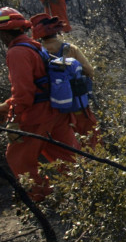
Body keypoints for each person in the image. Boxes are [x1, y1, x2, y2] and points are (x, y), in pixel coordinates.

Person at [0, 7, 79, 201]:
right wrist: (6, 104)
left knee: (18, 158)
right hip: (57, 111)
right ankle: (91, 193)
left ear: (4, 32)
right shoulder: (35, 46)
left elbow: (24, 94)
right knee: (69, 158)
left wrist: (15, 120)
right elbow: (40, 84)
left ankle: (41, 198)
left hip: (37, 116)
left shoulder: (17, 53)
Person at [30, 13, 101, 149]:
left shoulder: (37, 53)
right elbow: (89, 71)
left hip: (53, 108)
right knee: (92, 137)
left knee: (66, 145)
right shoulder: (70, 49)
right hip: (77, 104)